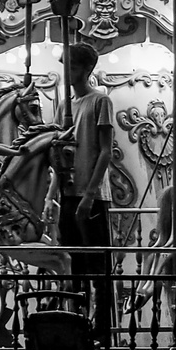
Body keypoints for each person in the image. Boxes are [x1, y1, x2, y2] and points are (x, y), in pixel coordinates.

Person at [61, 43, 116, 333]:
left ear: (85, 69)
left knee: (97, 265)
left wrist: (90, 194)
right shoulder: (65, 105)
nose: (66, 72)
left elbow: (105, 151)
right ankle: (77, 323)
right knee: (73, 264)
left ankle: (102, 328)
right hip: (68, 192)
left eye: (71, 66)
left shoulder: (100, 101)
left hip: (91, 195)